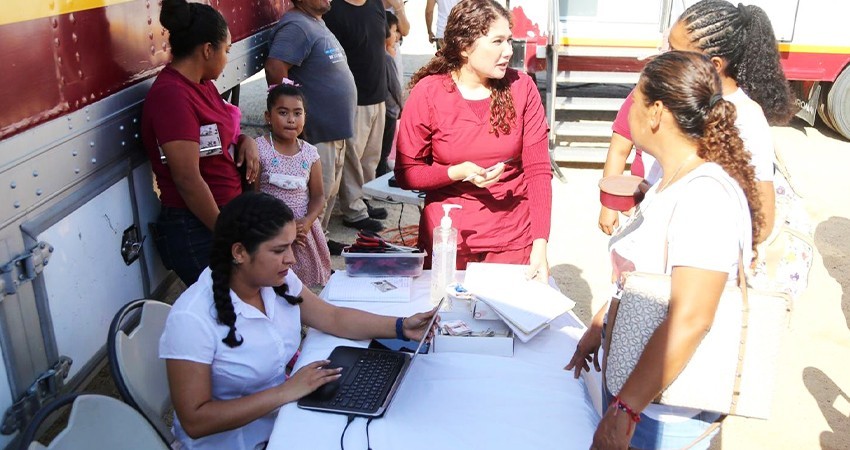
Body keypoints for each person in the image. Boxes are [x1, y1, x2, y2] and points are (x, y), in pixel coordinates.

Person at [567, 51, 765, 450]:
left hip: (665, 416)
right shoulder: (668, 183)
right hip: (643, 400)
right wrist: (601, 324)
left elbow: (691, 316)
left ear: (656, 112)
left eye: (635, 101)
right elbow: (648, 281)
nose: (630, 113)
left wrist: (625, 412)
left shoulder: (705, 196)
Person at [159, 191, 437, 450]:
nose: (291, 259)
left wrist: (400, 326)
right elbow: (196, 421)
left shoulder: (272, 280)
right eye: (279, 250)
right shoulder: (191, 318)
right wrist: (286, 392)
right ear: (239, 252)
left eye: (292, 246)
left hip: (283, 419)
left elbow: (333, 317)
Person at [597, 0, 793, 242]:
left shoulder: (747, 120)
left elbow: (761, 222)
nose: (666, 57)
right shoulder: (676, 97)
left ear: (714, 65)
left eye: (675, 51)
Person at [394, 0, 551, 280]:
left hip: (512, 238)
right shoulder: (428, 93)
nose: (508, 51)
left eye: (509, 40)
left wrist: (540, 245)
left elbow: (538, 170)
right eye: (497, 41)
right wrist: (457, 172)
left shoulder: (522, 88)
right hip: (447, 239)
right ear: (465, 47)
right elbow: (407, 173)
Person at [142, 0, 259, 286]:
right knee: (227, 310)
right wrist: (226, 236)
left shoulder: (203, 84)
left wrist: (245, 140)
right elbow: (187, 179)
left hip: (221, 219)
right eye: (226, 50)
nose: (227, 58)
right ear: (208, 49)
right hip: (197, 228)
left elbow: (221, 135)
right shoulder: (172, 95)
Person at [265, 0, 359, 254]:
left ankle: (320, 244)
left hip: (332, 131)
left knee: (325, 196)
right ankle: (307, 255)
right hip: (317, 133)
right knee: (316, 196)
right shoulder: (297, 25)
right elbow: (275, 67)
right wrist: (293, 118)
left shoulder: (314, 21)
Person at [256, 82, 331, 288]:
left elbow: (318, 196)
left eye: (298, 113)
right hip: (270, 229)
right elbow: (252, 196)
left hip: (301, 232)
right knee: (272, 282)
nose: (291, 119)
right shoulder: (259, 150)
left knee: (300, 286)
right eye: (283, 112)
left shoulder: (309, 153)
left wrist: (307, 222)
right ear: (268, 117)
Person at [324, 0, 390, 232]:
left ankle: (362, 198)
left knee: (370, 157)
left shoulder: (375, 4)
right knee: (352, 157)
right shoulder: (334, 11)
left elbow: (383, 44)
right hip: (354, 98)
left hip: (377, 93)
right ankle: (352, 210)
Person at [377, 12, 405, 178]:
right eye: (394, 31)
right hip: (391, 109)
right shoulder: (387, 58)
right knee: (384, 148)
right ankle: (380, 176)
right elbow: (394, 86)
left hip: (387, 108)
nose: (397, 35)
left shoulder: (387, 54)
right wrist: (402, 105)